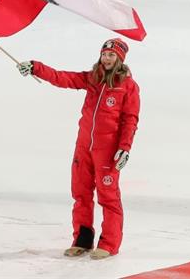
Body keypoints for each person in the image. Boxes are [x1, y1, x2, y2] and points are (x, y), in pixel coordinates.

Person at [17, 38, 140, 260]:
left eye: (112, 55)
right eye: (104, 54)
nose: (106, 58)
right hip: (84, 148)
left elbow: (130, 119)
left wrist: (125, 148)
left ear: (120, 59)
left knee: (108, 197)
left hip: (108, 151)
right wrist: (36, 68)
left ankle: (110, 243)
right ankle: (82, 240)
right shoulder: (93, 78)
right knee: (81, 193)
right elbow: (63, 78)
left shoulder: (128, 87)